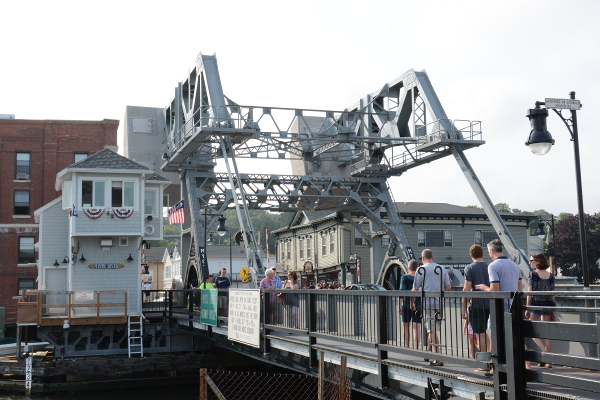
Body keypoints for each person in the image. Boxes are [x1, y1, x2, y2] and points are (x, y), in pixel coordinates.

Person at [475, 239, 524, 377]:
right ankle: (513, 366)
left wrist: (485, 288)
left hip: (500, 307)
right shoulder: (515, 265)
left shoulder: (493, 266)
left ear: (491, 251)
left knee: (495, 336)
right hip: (514, 307)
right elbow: (520, 287)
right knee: (511, 337)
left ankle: (494, 368)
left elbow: (495, 289)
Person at [412, 249, 451, 367]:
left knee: (432, 330)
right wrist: (442, 299)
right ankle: (430, 354)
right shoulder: (441, 268)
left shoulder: (421, 269)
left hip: (427, 304)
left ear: (423, 258)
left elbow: (415, 288)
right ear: (432, 257)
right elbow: (448, 287)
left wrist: (412, 302)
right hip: (439, 304)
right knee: (432, 330)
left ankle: (438, 357)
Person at [525, 253, 555, 367]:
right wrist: (553, 309)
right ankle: (548, 361)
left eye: (531, 260)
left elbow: (530, 292)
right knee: (546, 333)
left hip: (536, 305)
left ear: (538, 262)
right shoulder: (551, 276)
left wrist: (527, 307)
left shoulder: (533, 275)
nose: (530, 262)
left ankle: (545, 353)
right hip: (548, 305)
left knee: (532, 331)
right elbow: (553, 294)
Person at [462, 244, 492, 359]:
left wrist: (464, 308)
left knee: (480, 333)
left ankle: (484, 361)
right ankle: (491, 357)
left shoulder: (470, 268)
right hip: (491, 303)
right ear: (482, 254)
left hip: (477, 304)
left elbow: (466, 288)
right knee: (489, 332)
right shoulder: (489, 266)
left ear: (471, 255)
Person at [398, 260, 421, 348]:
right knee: (417, 327)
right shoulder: (420, 277)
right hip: (419, 305)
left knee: (406, 326)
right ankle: (416, 347)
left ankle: (407, 346)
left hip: (406, 304)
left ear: (408, 268)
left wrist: (399, 305)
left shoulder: (405, 277)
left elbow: (402, 291)